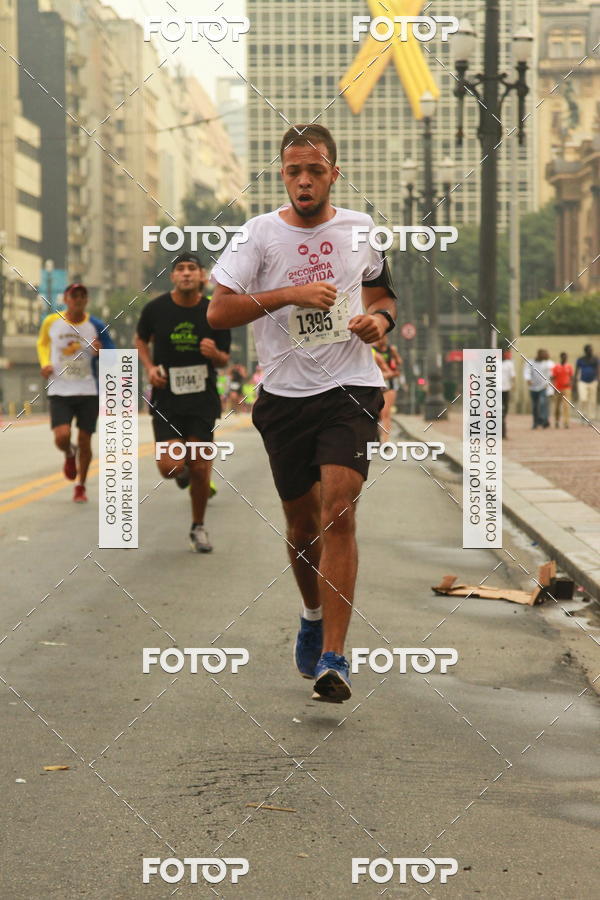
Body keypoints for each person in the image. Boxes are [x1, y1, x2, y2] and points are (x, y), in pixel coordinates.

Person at [209, 123, 397, 702]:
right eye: (294, 171)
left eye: (316, 170)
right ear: (283, 175)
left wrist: (379, 323)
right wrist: (286, 294)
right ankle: (312, 615)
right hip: (286, 399)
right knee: (302, 526)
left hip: (350, 389)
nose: (305, 180)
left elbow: (384, 297)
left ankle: (335, 657)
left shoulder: (362, 230)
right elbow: (219, 313)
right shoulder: (257, 235)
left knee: (339, 510)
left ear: (334, 174)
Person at [135, 253, 231, 552]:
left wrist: (214, 353)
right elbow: (140, 340)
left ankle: (198, 527)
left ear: (203, 276)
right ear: (173, 276)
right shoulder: (156, 309)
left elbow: (225, 358)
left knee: (202, 468)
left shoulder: (215, 311)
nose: (186, 274)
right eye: (180, 269)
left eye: (192, 269)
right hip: (167, 399)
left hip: (202, 399)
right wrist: (150, 368)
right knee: (169, 467)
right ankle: (184, 470)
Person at [37, 283, 114, 502]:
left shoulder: (95, 325)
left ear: (86, 300)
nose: (78, 300)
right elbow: (42, 344)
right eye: (74, 296)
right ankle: (69, 454)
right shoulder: (51, 322)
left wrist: (102, 352)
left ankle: (80, 485)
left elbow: (113, 355)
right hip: (60, 389)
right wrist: (44, 363)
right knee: (62, 436)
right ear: (66, 298)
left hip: (88, 390)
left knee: (84, 440)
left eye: (82, 296)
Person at [372, 336, 402, 440]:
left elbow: (399, 362)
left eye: (384, 337)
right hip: (376, 384)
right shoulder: (373, 351)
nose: (381, 340)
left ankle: (386, 440)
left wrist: (395, 354)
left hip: (390, 384)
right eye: (379, 337)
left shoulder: (391, 349)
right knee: (377, 413)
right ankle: (377, 434)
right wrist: (391, 374)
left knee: (386, 413)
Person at [524, 349, 553, 429]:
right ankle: (535, 422)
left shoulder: (547, 363)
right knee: (534, 406)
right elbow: (527, 372)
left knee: (543, 403)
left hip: (543, 387)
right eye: (544, 354)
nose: (545, 356)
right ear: (539, 355)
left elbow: (551, 374)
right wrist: (528, 379)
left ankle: (542, 419)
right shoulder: (530, 362)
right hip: (533, 388)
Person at [574, 344, 599, 424]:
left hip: (593, 382)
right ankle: (583, 415)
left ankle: (591, 418)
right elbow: (577, 371)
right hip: (582, 382)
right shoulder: (580, 359)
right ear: (586, 351)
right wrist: (574, 382)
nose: (591, 351)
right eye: (589, 350)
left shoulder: (595, 359)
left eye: (592, 349)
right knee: (583, 399)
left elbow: (598, 370)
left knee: (592, 400)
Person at [552, 352, 573, 428]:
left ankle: (566, 422)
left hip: (567, 388)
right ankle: (557, 421)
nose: (565, 358)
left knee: (566, 406)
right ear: (561, 357)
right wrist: (553, 387)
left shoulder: (569, 367)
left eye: (566, 357)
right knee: (557, 406)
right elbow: (553, 378)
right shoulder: (556, 367)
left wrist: (570, 383)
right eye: (563, 357)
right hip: (558, 389)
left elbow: (571, 377)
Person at [501, 349, 516, 439]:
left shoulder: (509, 364)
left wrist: (514, 385)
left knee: (505, 409)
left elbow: (513, 376)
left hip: (506, 389)